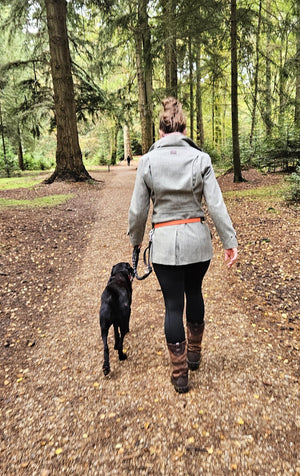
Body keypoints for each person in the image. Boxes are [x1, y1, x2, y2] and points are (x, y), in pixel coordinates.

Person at [128, 97, 238, 394]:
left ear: (161, 131)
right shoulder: (200, 159)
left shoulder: (148, 161)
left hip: (164, 245)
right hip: (198, 243)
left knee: (173, 305)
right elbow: (215, 204)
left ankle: (180, 374)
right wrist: (230, 241)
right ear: (184, 129)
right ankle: (194, 355)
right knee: (195, 292)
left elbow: (138, 211)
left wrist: (135, 244)